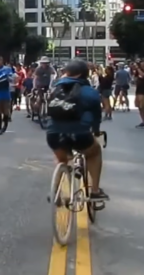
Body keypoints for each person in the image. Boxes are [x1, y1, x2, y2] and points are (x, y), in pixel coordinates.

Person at [46, 59, 108, 203]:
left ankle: (55, 191)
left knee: (61, 158)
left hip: (54, 135)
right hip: (79, 134)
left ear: (67, 73)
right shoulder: (90, 92)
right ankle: (95, 191)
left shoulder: (55, 89)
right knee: (94, 152)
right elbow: (96, 117)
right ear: (84, 74)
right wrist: (96, 131)